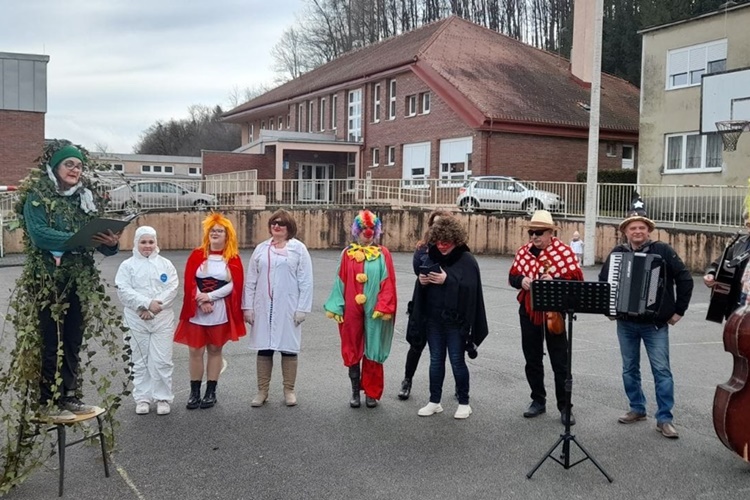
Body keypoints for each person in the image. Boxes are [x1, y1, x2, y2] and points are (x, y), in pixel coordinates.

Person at [19, 143, 122, 421]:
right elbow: (40, 234)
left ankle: (70, 396)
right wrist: (75, 241)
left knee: (73, 339)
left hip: (77, 279)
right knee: (52, 339)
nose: (75, 170)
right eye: (69, 165)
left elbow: (98, 240)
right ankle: (47, 401)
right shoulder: (37, 196)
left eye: (78, 166)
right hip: (48, 280)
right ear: (56, 167)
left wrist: (111, 244)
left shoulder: (83, 199)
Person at [598, 199, 693, 439]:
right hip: (626, 323)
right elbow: (603, 282)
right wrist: (609, 307)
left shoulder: (663, 251)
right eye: (633, 228)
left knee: (661, 370)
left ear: (648, 230)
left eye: (642, 227)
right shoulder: (617, 253)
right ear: (626, 231)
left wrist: (679, 311)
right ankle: (637, 408)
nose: (637, 231)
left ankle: (665, 418)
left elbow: (685, 279)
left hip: (655, 324)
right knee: (629, 368)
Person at [407, 217, 488, 419]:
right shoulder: (430, 255)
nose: (442, 247)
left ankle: (464, 402)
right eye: (439, 242)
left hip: (456, 321)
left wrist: (447, 279)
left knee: (456, 361)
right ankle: (434, 401)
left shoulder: (466, 259)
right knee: (435, 361)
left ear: (455, 240)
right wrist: (422, 281)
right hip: (433, 319)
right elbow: (420, 288)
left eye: (447, 243)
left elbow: (471, 290)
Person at [508, 210, 583, 426]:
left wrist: (556, 279)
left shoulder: (565, 252)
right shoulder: (523, 252)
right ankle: (538, 400)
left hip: (554, 312)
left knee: (560, 361)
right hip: (529, 309)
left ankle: (565, 406)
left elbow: (576, 279)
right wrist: (521, 280)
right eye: (531, 232)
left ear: (551, 232)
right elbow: (512, 276)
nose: (534, 237)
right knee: (532, 358)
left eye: (539, 233)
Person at [324, 210, 397, 408]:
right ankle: (356, 391)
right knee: (352, 346)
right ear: (357, 230)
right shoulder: (347, 254)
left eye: (372, 228)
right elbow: (340, 281)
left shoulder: (383, 254)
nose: (368, 232)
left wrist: (384, 305)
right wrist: (336, 306)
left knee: (373, 347)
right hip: (351, 308)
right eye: (364, 228)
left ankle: (371, 393)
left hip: (375, 309)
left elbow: (388, 281)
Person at [174, 213, 246, 410]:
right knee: (195, 350)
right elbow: (189, 281)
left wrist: (211, 297)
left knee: (215, 350)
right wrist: (200, 299)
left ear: (227, 235)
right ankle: (194, 392)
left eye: (220, 231)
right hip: (197, 310)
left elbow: (235, 285)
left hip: (219, 310)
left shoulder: (232, 258)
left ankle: (211, 392)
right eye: (213, 230)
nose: (215, 233)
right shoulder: (197, 255)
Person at [242, 210, 313, 407]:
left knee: (288, 348)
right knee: (264, 348)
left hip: (288, 307)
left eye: (281, 223)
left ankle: (289, 390)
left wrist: (302, 308)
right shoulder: (261, 249)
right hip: (263, 306)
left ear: (289, 227)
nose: (277, 226)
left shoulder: (298, 249)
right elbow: (251, 280)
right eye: (274, 223)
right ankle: (262, 391)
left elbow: (306, 281)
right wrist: (247, 307)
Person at [115, 226, 179, 416]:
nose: (147, 246)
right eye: (143, 242)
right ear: (136, 243)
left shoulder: (166, 264)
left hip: (161, 320)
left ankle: (162, 397)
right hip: (136, 320)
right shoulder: (127, 266)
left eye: (151, 242)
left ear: (156, 243)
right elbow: (123, 290)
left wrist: (153, 310)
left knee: (162, 360)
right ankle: (142, 397)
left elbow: (172, 288)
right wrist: (144, 305)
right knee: (139, 360)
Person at [397, 209, 454, 400]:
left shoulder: (456, 249)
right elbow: (417, 268)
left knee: (452, 349)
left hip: (446, 306)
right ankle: (407, 380)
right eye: (434, 224)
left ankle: (460, 388)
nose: (437, 228)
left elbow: (460, 273)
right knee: (416, 345)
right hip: (424, 303)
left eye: (442, 224)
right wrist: (423, 276)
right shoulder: (423, 248)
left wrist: (447, 277)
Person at [703, 211, 750, 319]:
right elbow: (716, 264)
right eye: (748, 225)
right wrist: (711, 274)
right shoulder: (739, 244)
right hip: (738, 309)